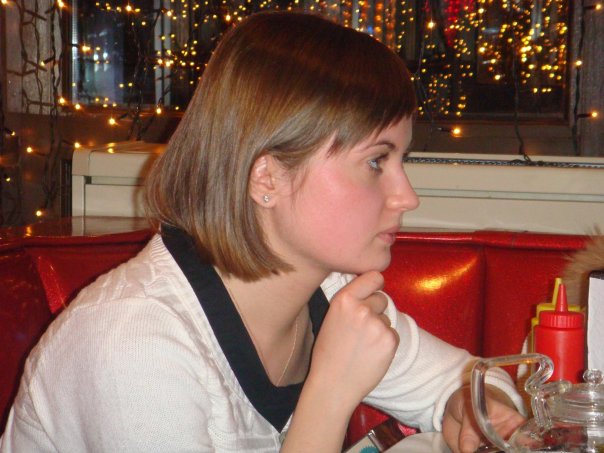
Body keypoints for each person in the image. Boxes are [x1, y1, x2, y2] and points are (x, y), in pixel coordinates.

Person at [0, 11, 525, 453]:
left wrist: (474, 408)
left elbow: (472, 380)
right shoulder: (132, 343)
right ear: (266, 178)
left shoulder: (329, 290)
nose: (406, 196)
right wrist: (330, 391)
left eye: (400, 160)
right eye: (375, 162)